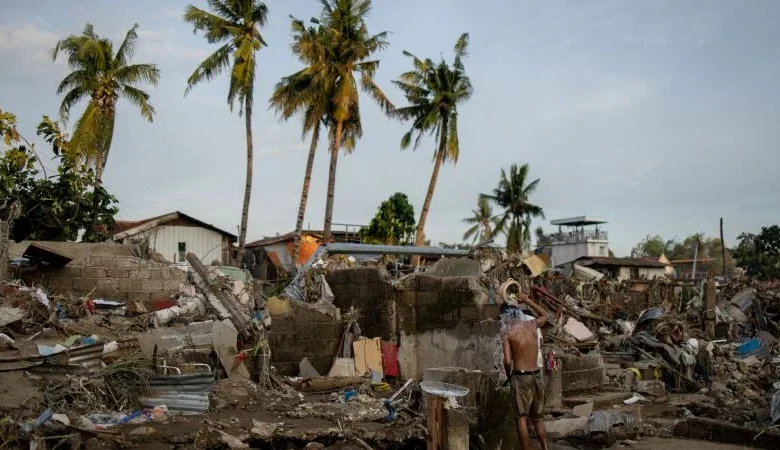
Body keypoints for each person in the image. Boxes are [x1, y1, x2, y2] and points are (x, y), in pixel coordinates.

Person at [501, 294, 549, 450]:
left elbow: (507, 361)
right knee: (538, 418)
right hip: (536, 374)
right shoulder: (532, 325)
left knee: (521, 417)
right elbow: (545, 315)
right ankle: (545, 448)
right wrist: (528, 301)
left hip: (520, 377)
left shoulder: (507, 332)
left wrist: (509, 375)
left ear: (504, 316)